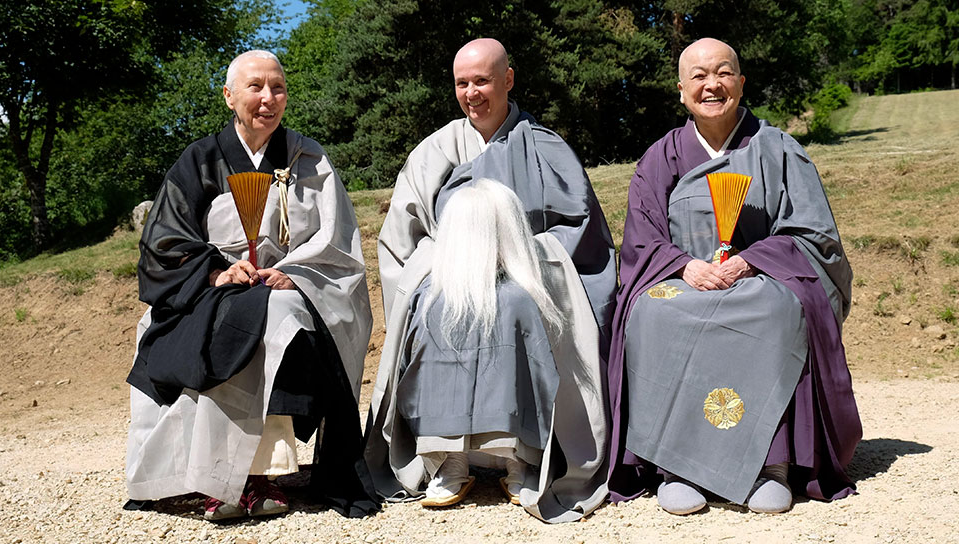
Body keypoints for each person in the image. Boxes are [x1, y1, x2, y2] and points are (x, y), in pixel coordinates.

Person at [364, 38, 617, 523]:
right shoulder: (433, 152)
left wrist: (516, 255)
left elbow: (579, 233)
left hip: (529, 276)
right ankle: (448, 456)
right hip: (449, 275)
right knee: (439, 308)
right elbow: (403, 240)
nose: (472, 92)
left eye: (482, 80)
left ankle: (517, 456)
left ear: (508, 79)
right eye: (463, 83)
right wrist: (455, 262)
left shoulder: (547, 149)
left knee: (513, 307)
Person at [606, 38, 862, 516]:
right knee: (653, 312)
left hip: (760, 278)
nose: (711, 85)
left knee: (778, 309)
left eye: (723, 73)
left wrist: (751, 261)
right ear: (681, 90)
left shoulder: (780, 149)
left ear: (741, 83)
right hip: (685, 279)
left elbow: (815, 234)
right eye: (699, 76)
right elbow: (641, 240)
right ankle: (677, 466)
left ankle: (771, 465)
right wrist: (686, 265)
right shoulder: (659, 158)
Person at [124, 50, 379, 521]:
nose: (268, 99)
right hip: (208, 289)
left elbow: (338, 242)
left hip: (289, 289)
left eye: (277, 88)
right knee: (226, 321)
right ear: (229, 96)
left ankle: (257, 475)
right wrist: (215, 271)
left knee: (272, 317)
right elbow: (164, 240)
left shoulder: (311, 158)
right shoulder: (198, 160)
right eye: (255, 87)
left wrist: (296, 274)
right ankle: (213, 477)